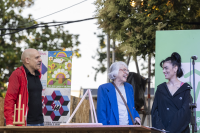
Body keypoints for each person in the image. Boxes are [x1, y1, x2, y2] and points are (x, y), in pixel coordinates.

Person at [151, 52, 191, 133]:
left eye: (166, 68)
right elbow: (154, 111)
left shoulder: (185, 89)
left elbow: (185, 112)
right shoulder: (160, 88)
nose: (163, 71)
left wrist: (169, 131)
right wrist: (161, 129)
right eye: (163, 68)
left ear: (175, 68)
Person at [4, 48, 44, 126]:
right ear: (27, 60)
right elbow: (10, 99)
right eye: (37, 57)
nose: (40, 60)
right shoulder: (17, 74)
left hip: (40, 123)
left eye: (40, 57)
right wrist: (9, 122)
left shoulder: (38, 75)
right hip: (25, 124)